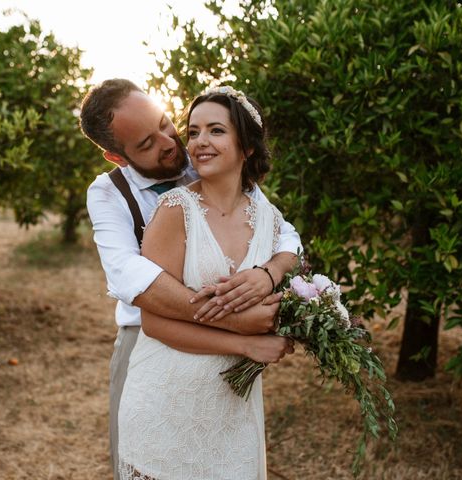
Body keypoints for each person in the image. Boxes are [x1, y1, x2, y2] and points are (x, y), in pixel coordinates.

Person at [80, 79, 302, 479]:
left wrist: (271, 273)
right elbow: (133, 278)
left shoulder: (207, 159)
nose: (170, 142)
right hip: (148, 343)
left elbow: (281, 232)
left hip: (224, 365)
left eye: (166, 123)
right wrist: (235, 323)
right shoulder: (109, 193)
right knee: (140, 458)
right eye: (147, 144)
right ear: (117, 157)